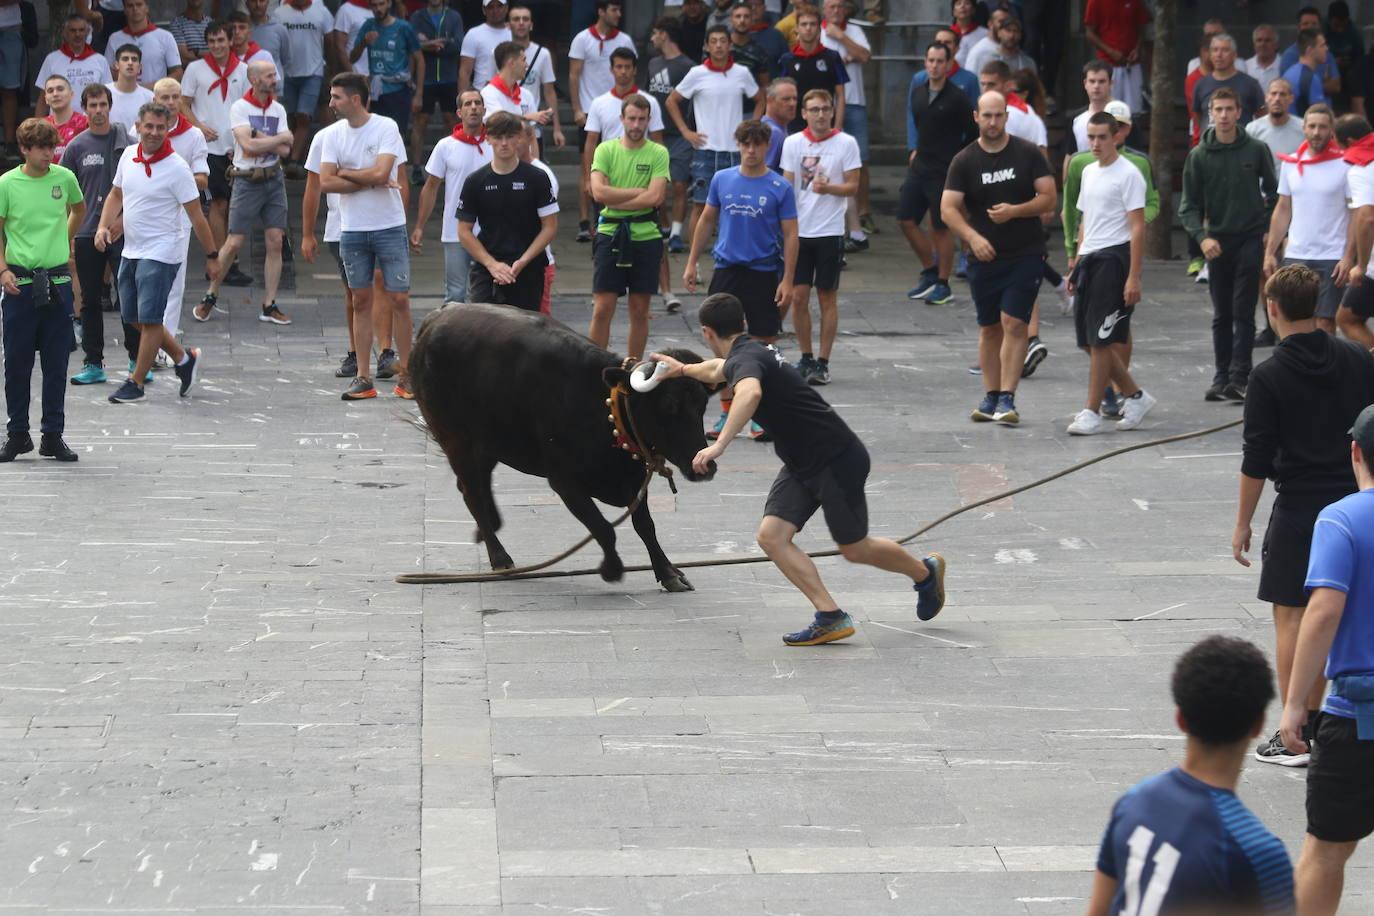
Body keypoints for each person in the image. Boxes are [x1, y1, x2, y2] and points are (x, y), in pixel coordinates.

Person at [649, 292, 947, 647]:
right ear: (743, 323)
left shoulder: (748, 363)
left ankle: (924, 573)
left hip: (836, 459)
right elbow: (715, 369)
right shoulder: (749, 352)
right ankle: (830, 616)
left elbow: (750, 394)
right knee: (771, 537)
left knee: (854, 548)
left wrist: (720, 443)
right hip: (801, 461)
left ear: (707, 332)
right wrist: (681, 370)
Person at [1233, 264, 1374, 769]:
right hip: (1352, 502)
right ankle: (1319, 721)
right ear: (1317, 306)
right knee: (1337, 610)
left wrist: (1243, 522)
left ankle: (1296, 731)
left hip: (1297, 510)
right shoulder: (1357, 358)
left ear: (1272, 309)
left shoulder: (1267, 374)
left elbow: (1256, 457)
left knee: (1293, 617)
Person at [1085, 636, 1294, 916]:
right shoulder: (1258, 851)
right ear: (1258, 725)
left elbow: (1098, 909)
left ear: (1180, 718)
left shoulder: (1133, 803)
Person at [1280, 403, 1374, 916]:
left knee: (1326, 852)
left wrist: (1295, 705)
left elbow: (1322, 613)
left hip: (1357, 720)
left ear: (1356, 452)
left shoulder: (1340, 519)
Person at [941, 90, 1056, 427]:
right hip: (984, 256)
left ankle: (1008, 396)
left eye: (998, 116)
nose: (992, 122)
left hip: (1025, 252)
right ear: (976, 117)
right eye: (986, 116)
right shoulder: (964, 160)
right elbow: (947, 208)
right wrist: (973, 238)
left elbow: (1048, 197)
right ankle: (990, 395)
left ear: (1007, 116)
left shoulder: (1027, 153)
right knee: (989, 327)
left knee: (1014, 322)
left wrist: (1016, 211)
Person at [95, 101, 217, 404]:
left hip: (163, 250)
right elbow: (115, 194)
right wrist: (103, 226)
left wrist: (213, 256)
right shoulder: (128, 156)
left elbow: (197, 215)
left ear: (168, 130)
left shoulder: (177, 167)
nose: (153, 132)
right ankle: (183, 358)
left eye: (160, 128)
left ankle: (135, 382)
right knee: (133, 316)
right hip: (131, 249)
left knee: (150, 319)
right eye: (148, 126)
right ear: (138, 126)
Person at [685, 119, 797, 442]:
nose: (751, 150)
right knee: (722, 344)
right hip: (726, 270)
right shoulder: (722, 179)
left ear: (766, 147)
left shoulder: (780, 187)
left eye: (757, 144)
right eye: (745, 144)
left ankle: (762, 415)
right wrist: (692, 261)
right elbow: (707, 219)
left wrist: (787, 279)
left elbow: (791, 235)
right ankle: (726, 411)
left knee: (764, 343)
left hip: (762, 271)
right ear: (738, 145)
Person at [317, 73, 413, 401]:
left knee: (399, 298)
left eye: (336, 97)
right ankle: (363, 376)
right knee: (359, 300)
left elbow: (384, 173)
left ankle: (408, 373)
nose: (331, 103)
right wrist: (367, 178)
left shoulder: (386, 127)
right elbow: (325, 182)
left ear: (355, 99)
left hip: (388, 224)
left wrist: (346, 172)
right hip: (352, 228)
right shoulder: (332, 135)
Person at [1061, 100, 1159, 420]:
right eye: (1091, 137)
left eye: (1102, 137)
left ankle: (1091, 410)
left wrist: (1134, 276)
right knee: (1087, 340)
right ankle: (1135, 394)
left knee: (1102, 339)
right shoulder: (1088, 171)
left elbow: (1137, 226)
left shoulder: (1130, 174)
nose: (1095, 143)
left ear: (1115, 136)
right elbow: (1085, 219)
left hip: (1114, 259)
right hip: (1090, 258)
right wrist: (1076, 261)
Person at [1180, 88, 1278, 403]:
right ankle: (1221, 376)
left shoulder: (1256, 149)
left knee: (1243, 309)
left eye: (1228, 109)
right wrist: (1201, 237)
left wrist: (1266, 229)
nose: (1223, 115)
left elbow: (1275, 193)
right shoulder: (1198, 156)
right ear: (1210, 114)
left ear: (1239, 113)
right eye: (1217, 110)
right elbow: (1188, 206)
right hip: (1217, 240)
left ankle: (1241, 376)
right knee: (1221, 312)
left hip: (1249, 237)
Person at [0, 119, 84, 464]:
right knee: (16, 363)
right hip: (19, 282)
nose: (49, 154)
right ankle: (17, 434)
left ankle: (53, 435)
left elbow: (79, 208)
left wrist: (63, 239)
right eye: (41, 148)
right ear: (25, 149)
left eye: (52, 147)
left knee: (56, 363)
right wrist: (3, 269)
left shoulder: (64, 178)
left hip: (58, 281)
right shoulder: (7, 183)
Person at [193, 60, 291, 328]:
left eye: (275, 74)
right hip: (247, 180)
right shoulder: (240, 108)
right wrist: (272, 140)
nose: (275, 79)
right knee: (234, 241)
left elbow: (288, 148)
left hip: (274, 179)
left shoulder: (278, 108)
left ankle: (269, 304)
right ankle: (211, 295)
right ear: (255, 79)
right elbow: (246, 146)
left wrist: (261, 138)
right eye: (270, 75)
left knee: (275, 240)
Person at [782, 88, 858, 387]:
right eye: (814, 109)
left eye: (825, 109)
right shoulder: (792, 143)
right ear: (804, 113)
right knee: (798, 296)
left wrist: (830, 189)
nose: (821, 115)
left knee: (827, 296)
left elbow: (853, 186)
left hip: (829, 230)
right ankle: (806, 355)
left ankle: (823, 361)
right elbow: (787, 184)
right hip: (800, 231)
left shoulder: (846, 143)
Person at [67, 83, 138, 388]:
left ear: (110, 107)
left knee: (129, 296)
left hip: (121, 231)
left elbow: (138, 190)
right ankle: (93, 363)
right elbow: (66, 194)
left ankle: (138, 360)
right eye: (92, 105)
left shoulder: (128, 144)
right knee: (90, 301)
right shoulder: (76, 147)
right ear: (85, 109)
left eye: (102, 105)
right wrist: (68, 234)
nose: (98, 111)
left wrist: (123, 219)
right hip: (85, 233)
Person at [587, 93, 668, 359]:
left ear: (648, 120)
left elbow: (656, 197)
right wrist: (637, 193)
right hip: (610, 233)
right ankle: (594, 366)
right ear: (621, 119)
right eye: (631, 118)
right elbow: (598, 193)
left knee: (639, 308)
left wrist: (617, 194)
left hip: (646, 235)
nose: (636, 125)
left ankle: (633, 366)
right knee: (602, 307)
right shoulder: (605, 149)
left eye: (641, 119)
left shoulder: (658, 152)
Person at [668, 25, 763, 244]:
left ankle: (734, 255)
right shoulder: (697, 74)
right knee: (701, 206)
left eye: (723, 41)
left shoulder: (741, 73)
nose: (719, 45)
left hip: (735, 152)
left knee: (739, 206)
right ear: (707, 46)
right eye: (714, 41)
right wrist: (685, 131)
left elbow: (760, 98)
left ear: (730, 45)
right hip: (706, 151)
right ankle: (695, 263)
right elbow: (672, 100)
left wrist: (752, 127)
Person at [455, 110, 558, 312]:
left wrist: (524, 260)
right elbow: (463, 230)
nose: (504, 143)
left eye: (510, 137)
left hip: (528, 267)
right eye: (498, 137)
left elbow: (550, 226)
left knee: (525, 335)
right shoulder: (476, 181)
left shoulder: (537, 177)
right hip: (488, 268)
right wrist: (492, 265)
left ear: (519, 138)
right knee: (483, 333)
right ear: (488, 139)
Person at [1265, 105, 1351, 337]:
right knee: (1293, 321)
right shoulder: (1290, 163)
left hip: (1331, 256)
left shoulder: (1345, 164)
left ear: (1331, 130)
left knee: (1324, 323)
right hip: (1297, 253)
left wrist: (1348, 257)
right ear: (1303, 128)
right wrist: (1270, 251)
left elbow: (1354, 214)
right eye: (1311, 126)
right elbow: (1283, 209)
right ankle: (1299, 371)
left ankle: (1324, 372)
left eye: (1322, 127)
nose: (1316, 132)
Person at [179, 21, 252, 290]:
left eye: (221, 40)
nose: (217, 46)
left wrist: (243, 140)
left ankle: (230, 257)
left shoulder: (244, 70)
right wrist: (197, 125)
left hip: (236, 147)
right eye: (212, 41)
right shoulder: (195, 69)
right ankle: (223, 263)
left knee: (236, 205)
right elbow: (182, 102)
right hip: (208, 148)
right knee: (217, 204)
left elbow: (248, 105)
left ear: (230, 41)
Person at [902, 41, 974, 307]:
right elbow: (919, 125)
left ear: (948, 64)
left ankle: (943, 283)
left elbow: (972, 132)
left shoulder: (957, 97)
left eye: (939, 61)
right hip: (920, 165)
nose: (934, 66)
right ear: (925, 62)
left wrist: (959, 160)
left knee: (941, 227)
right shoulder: (918, 92)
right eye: (930, 60)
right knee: (905, 219)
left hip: (944, 170)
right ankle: (929, 270)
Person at [146, 77, 209, 356]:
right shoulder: (145, 132)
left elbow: (203, 179)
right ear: (154, 100)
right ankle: (149, 340)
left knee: (174, 280)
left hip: (179, 214)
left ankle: (164, 347)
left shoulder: (193, 134)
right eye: (165, 98)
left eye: (175, 97)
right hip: (147, 213)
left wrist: (172, 182)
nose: (171, 103)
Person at [412, 89, 490, 307]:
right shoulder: (446, 146)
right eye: (468, 104)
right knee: (455, 295)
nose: (473, 107)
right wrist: (419, 226)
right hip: (455, 231)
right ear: (459, 112)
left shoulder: (496, 144)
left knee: (487, 294)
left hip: (490, 232)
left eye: (477, 103)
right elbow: (431, 187)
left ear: (484, 109)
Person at [568, 0, 634, 243]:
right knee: (587, 165)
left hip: (616, 109)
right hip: (588, 110)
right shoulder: (582, 39)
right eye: (614, 10)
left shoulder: (625, 40)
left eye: (620, 10)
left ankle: (611, 216)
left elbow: (630, 71)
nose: (618, 14)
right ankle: (585, 221)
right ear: (601, 12)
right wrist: (576, 108)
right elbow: (574, 75)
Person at [819, 0, 873, 243]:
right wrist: (845, 57)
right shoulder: (816, 32)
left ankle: (864, 212)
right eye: (831, 6)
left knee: (860, 160)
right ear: (824, 9)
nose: (836, 11)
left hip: (855, 102)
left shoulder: (854, 31)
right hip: (826, 104)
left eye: (840, 6)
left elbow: (863, 55)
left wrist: (841, 37)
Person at [647, 17, 695, 251]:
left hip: (680, 134)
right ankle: (664, 226)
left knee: (679, 185)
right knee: (656, 184)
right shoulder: (653, 63)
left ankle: (676, 233)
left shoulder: (688, 66)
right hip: (655, 133)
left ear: (664, 34)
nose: (652, 38)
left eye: (655, 33)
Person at [273, 0, 334, 176]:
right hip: (288, 73)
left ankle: (293, 160)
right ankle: (290, 157)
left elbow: (329, 41)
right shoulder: (280, 13)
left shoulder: (321, 11)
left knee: (304, 117)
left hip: (314, 72)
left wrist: (330, 68)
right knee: (290, 117)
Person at [351, 0, 422, 138]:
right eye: (374, 5)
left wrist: (418, 94)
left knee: (396, 135)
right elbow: (352, 58)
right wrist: (364, 42)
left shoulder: (403, 27)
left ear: (389, 4)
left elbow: (420, 60)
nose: (378, 9)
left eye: (381, 4)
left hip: (398, 90)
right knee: (373, 135)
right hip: (375, 91)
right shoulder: (368, 25)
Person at [407, 0, 462, 179]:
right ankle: (416, 167)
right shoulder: (417, 16)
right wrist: (434, 44)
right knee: (420, 121)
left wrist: (429, 45)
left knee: (451, 120)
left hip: (449, 77)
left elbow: (457, 45)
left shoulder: (454, 16)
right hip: (426, 77)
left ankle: (452, 164)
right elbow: (412, 43)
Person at [1336, 115, 1374, 350]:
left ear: (1348, 141)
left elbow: (1366, 217)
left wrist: (1360, 264)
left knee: (1347, 319)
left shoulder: (1361, 169)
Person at [778, 7, 847, 134]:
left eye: (812, 24)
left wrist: (837, 128)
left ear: (819, 29)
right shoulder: (787, 59)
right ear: (797, 29)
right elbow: (781, 96)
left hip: (826, 124)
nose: (808, 28)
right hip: (795, 127)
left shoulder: (832, 57)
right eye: (804, 24)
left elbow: (841, 95)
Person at [35, 15, 113, 118]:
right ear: (65, 33)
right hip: (59, 125)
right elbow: (42, 98)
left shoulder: (100, 60)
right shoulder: (52, 59)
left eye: (81, 30)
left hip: (91, 124)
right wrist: (36, 129)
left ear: (88, 32)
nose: (77, 34)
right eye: (73, 30)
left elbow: (108, 96)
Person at [509, 5, 563, 152]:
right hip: (506, 127)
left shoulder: (543, 53)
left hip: (532, 127)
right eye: (516, 19)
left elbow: (549, 92)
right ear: (508, 25)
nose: (521, 23)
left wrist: (556, 128)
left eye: (525, 19)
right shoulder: (498, 52)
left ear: (531, 25)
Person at [1192, 34, 1265, 136]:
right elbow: (1197, 116)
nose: (1219, 54)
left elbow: (1262, 117)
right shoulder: (1200, 85)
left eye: (1225, 50)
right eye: (1215, 50)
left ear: (1234, 55)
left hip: (1242, 145)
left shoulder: (1250, 84)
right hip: (1210, 146)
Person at [1082, 0, 1148, 113]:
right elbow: (1089, 33)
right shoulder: (1095, 2)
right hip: (1108, 65)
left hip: (1132, 64)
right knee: (1109, 110)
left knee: (1135, 111)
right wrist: (1110, 52)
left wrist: (1137, 48)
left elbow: (1142, 27)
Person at [104, 0, 182, 87]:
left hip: (154, 96)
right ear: (125, 10)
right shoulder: (114, 38)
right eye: (130, 6)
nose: (135, 9)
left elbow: (177, 73)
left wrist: (151, 87)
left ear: (147, 8)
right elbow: (107, 73)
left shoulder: (165, 37)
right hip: (124, 95)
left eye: (139, 4)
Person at [1279, 7, 1340, 101]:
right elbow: (1288, 88)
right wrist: (1321, 83)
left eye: (1314, 24)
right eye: (1305, 24)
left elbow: (1335, 86)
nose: (1310, 27)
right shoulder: (1289, 57)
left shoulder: (1327, 55)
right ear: (1309, 50)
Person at [1247, 78, 1304, 174]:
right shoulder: (1252, 129)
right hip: (1262, 188)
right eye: (1273, 94)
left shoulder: (1303, 128)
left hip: (1293, 187)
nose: (1277, 99)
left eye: (1282, 94)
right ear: (1266, 98)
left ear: (1291, 99)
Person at [480, 40, 544, 127]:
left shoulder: (527, 94)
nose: (527, 65)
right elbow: (498, 120)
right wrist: (527, 117)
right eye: (524, 60)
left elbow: (530, 132)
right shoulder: (487, 93)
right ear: (511, 63)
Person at [1063, 60, 1113, 164]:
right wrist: (1067, 181)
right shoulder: (1076, 119)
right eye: (1092, 81)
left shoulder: (1123, 117)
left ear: (1111, 83)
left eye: (1102, 81)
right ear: (1085, 83)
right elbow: (1069, 156)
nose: (1096, 86)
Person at [458, 0, 510, 92]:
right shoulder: (473, 34)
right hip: (482, 94)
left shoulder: (515, 34)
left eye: (499, 6)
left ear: (506, 8)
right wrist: (462, 100)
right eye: (491, 7)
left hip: (511, 93)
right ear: (484, 10)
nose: (495, 10)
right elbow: (465, 72)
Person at [106, 45, 154, 137]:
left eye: (134, 59)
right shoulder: (103, 93)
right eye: (125, 59)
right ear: (116, 65)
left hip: (137, 148)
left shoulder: (150, 97)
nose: (130, 63)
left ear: (139, 67)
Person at [42, 77, 89, 165]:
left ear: (71, 94)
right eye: (50, 91)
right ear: (46, 99)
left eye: (60, 89)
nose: (55, 94)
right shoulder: (40, 127)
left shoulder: (85, 124)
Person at [726, 1, 772, 87]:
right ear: (731, 19)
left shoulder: (759, 52)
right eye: (738, 16)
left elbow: (765, 85)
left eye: (746, 16)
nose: (742, 20)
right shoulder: (721, 47)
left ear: (751, 20)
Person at [245, 0, 289, 81]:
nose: (258, 5)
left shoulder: (279, 29)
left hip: (275, 89)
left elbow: (285, 60)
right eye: (253, 1)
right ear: (246, 3)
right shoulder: (240, 30)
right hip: (247, 87)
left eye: (262, 0)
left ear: (268, 2)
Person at [330, 0, 374, 79]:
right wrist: (352, 75)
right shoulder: (346, 10)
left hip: (377, 76)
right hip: (356, 74)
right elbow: (339, 46)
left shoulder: (379, 9)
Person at [760, 76, 795, 172]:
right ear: (769, 100)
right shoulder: (773, 133)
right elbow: (764, 175)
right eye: (786, 99)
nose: (792, 104)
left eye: (795, 98)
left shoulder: (772, 129)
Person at [170, 0, 212, 67]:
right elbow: (183, 59)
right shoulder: (177, 23)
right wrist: (210, 59)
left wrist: (196, 52)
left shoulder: (210, 22)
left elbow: (217, 53)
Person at [1243, 24, 1283, 93]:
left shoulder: (1284, 65)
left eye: (1267, 40)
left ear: (1276, 45)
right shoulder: (1245, 67)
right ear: (1254, 44)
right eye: (1259, 40)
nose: (1263, 44)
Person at [949, 0, 984, 68]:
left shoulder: (984, 34)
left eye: (967, 3)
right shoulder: (947, 34)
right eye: (959, 3)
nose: (962, 6)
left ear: (973, 10)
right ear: (953, 11)